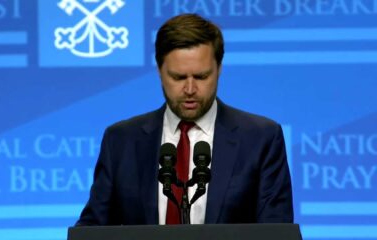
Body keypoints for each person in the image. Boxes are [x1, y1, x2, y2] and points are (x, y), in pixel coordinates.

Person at [76, 13, 293, 225]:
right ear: (160, 71)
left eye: (201, 76)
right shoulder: (121, 141)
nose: (190, 89)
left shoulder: (260, 138)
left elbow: (276, 229)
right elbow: (93, 229)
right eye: (178, 77)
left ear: (219, 69)